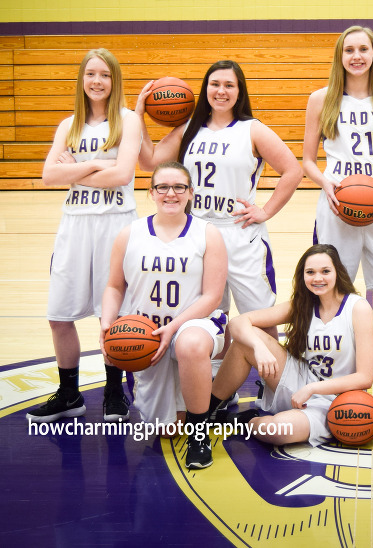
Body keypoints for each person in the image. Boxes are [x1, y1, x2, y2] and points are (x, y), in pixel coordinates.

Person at [135, 60, 303, 408]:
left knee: (260, 315)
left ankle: (272, 387)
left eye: (229, 85)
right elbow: (149, 162)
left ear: (239, 91)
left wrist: (266, 210)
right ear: (205, 89)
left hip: (241, 234)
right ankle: (217, 390)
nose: (221, 91)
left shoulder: (252, 129)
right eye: (215, 84)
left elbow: (292, 170)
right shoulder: (188, 129)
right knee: (210, 315)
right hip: (199, 233)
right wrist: (139, 114)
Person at [303, 26, 373, 404]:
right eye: (349, 50)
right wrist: (326, 183)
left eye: (363, 49)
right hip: (337, 208)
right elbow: (307, 160)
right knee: (331, 295)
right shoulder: (321, 99)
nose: (356, 56)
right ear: (340, 56)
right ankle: (337, 374)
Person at [27, 49, 141, 424]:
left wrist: (74, 169)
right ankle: (69, 394)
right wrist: (94, 164)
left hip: (115, 224)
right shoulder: (69, 125)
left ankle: (113, 392)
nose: (97, 81)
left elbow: (123, 174)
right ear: (81, 79)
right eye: (91, 74)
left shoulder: (128, 120)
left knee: (112, 315)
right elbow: (49, 176)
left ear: (114, 80)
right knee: (59, 315)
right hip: (74, 224)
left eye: (105, 75)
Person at [100, 162, 228, 469]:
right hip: (147, 334)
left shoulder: (207, 234)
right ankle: (200, 403)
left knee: (190, 345)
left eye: (179, 187)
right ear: (151, 192)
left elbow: (212, 297)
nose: (171, 194)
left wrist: (173, 328)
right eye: (163, 187)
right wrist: (107, 323)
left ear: (190, 193)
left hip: (195, 324)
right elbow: (114, 286)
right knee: (168, 430)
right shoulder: (129, 233)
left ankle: (199, 435)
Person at [208, 244, 373, 446]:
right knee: (246, 340)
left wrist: (313, 389)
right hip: (298, 381)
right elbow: (238, 323)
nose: (318, 278)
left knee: (277, 431)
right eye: (310, 272)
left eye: (325, 271)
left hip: (335, 400)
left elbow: (365, 378)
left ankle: (245, 421)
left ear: (337, 272)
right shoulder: (303, 304)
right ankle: (206, 411)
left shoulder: (357, 308)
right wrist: (259, 348)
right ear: (302, 276)